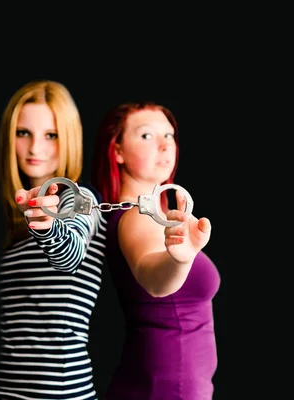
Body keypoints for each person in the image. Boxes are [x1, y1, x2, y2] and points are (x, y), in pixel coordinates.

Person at [0, 80, 106, 400]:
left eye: (51, 135)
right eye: (23, 133)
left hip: (60, 394)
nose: (35, 148)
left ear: (69, 139)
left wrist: (48, 227)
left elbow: (71, 255)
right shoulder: (9, 212)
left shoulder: (80, 199)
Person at [91, 101, 221, 399]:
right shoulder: (135, 218)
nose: (164, 145)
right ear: (117, 151)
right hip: (165, 388)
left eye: (169, 135)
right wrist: (179, 259)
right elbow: (154, 278)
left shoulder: (152, 216)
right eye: (147, 136)